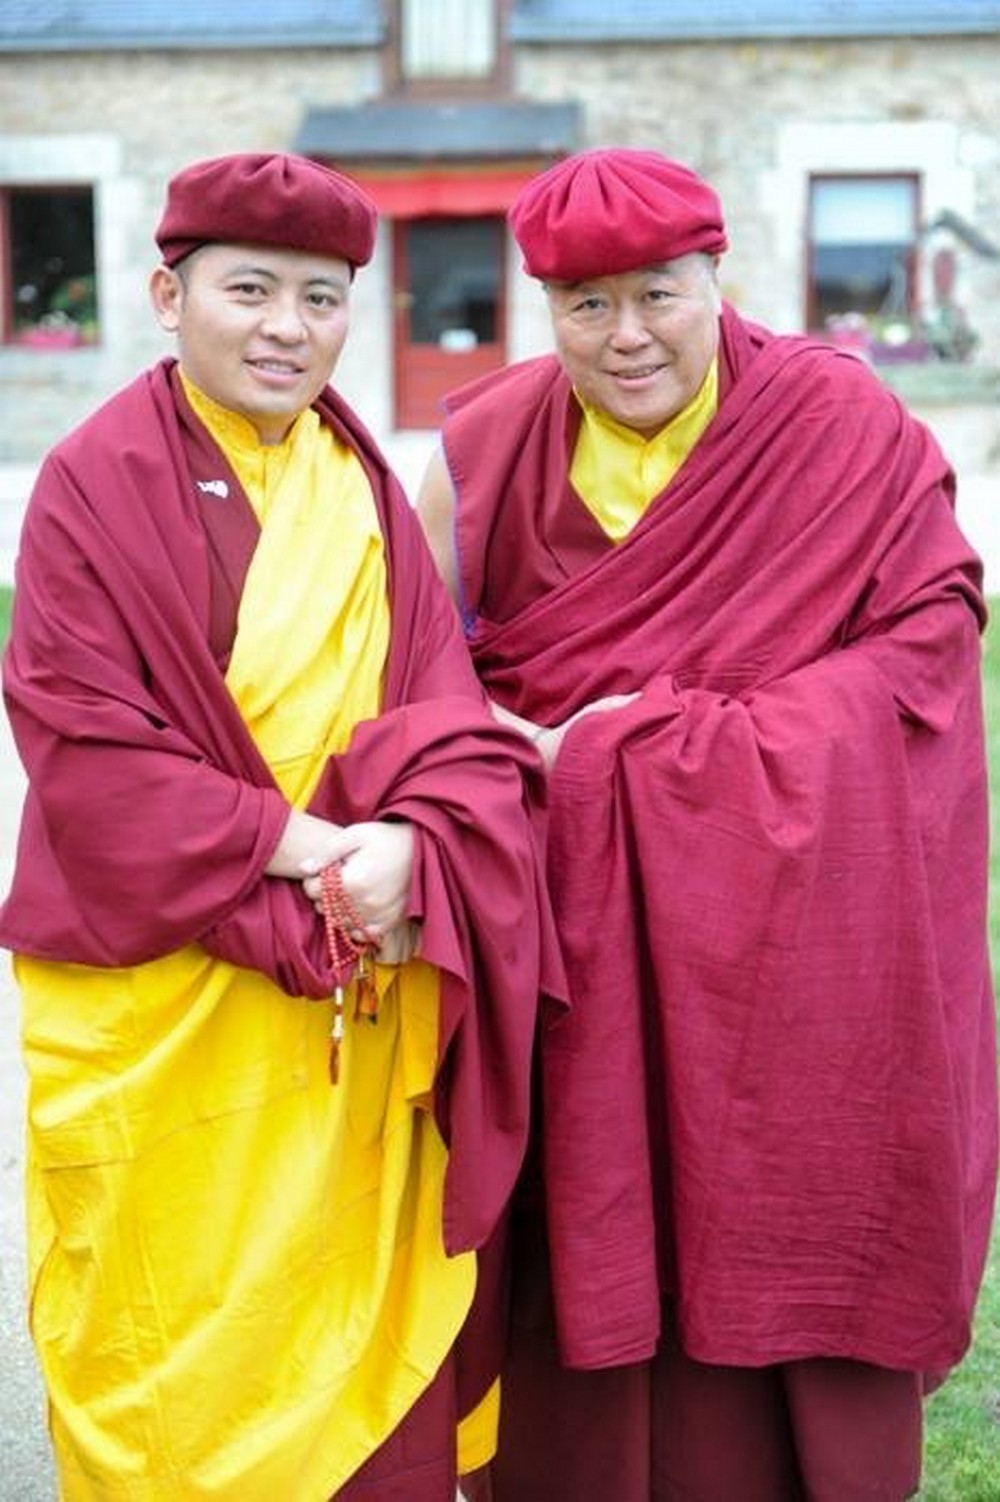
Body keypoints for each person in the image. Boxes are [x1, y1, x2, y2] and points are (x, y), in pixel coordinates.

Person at [416, 146, 998, 1502]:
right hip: (584, 952)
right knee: (583, 1245)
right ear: (546, 306)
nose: (627, 336)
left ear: (716, 276)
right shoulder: (483, 452)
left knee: (795, 1211)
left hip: (790, 938)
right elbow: (420, 680)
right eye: (587, 305)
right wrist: (499, 755)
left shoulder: (835, 423)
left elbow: (927, 653)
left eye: (658, 296)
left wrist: (633, 750)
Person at [0, 151, 561, 1501]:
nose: (287, 328)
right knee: (167, 1324)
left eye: (321, 297)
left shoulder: (358, 482)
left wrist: (418, 843)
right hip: (163, 991)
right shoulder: (93, 480)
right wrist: (317, 855)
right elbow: (82, 740)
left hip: (353, 991)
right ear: (167, 296)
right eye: (248, 290)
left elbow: (440, 697)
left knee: (351, 1320)